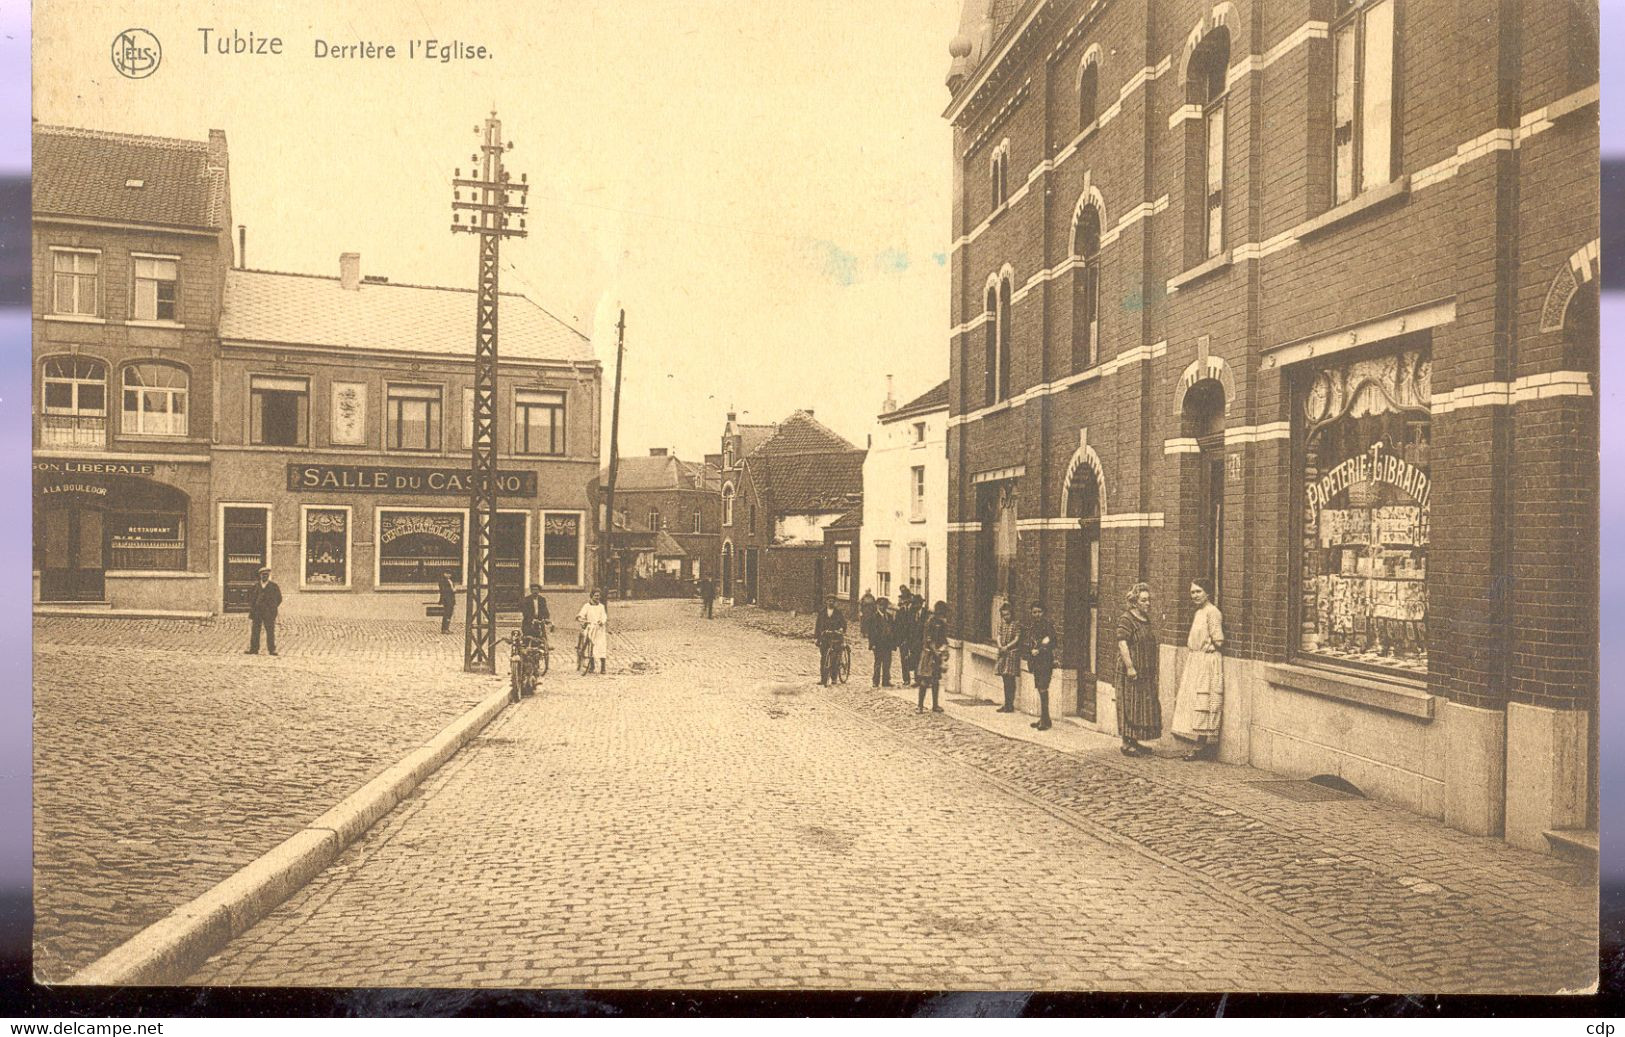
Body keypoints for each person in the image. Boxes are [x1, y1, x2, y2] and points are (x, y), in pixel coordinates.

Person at [1171, 578, 1225, 761]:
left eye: (1198, 591)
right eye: (1193, 592)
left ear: (1207, 593)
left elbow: (1219, 639)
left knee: (1204, 700)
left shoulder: (1213, 612)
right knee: (1193, 701)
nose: (1194, 595)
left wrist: (1212, 646)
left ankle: (1201, 744)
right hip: (1195, 659)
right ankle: (1198, 741)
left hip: (1207, 661)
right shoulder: (1199, 613)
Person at [1115, 582, 1162, 757]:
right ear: (1135, 601)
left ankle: (1135, 740)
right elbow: (1122, 643)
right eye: (1144, 600)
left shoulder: (1146, 619)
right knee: (1130, 704)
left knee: (1141, 705)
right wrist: (1130, 667)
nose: (1148, 603)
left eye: (1149, 600)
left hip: (1145, 671)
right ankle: (1126, 743)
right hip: (1131, 671)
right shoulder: (1126, 619)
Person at [1024, 603, 1057, 730]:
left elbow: (1052, 642)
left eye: (1039, 612)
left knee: (1043, 688)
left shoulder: (1048, 626)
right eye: (1034, 612)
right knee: (1039, 688)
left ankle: (1045, 720)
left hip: (1045, 661)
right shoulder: (1032, 627)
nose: (1037, 615)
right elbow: (1030, 643)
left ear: (1043, 612)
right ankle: (1045, 718)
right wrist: (1030, 652)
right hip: (1036, 662)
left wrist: (1041, 650)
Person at [916, 601, 950, 713]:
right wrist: (937, 652)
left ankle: (935, 705)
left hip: (937, 655)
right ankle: (920, 705)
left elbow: (944, 639)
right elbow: (929, 640)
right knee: (925, 680)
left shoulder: (943, 623)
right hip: (929, 655)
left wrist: (944, 650)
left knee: (936, 680)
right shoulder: (930, 622)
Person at [245, 566, 281, 656]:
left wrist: (272, 608)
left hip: (268, 612)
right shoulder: (256, 586)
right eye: (263, 575)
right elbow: (250, 598)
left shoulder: (274, 586)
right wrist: (253, 608)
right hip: (257, 612)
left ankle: (272, 650)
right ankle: (254, 649)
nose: (265, 576)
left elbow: (279, 598)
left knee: (270, 631)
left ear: (269, 575)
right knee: (255, 630)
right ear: (260, 576)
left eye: (266, 575)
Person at [993, 601, 1022, 713]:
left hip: (1012, 653)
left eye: (1008, 614)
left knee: (1010, 679)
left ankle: (1010, 704)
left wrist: (1007, 646)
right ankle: (1006, 703)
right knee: (1005, 679)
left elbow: (1017, 638)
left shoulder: (1016, 624)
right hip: (1003, 653)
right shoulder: (1002, 623)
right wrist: (1000, 645)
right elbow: (999, 635)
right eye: (1004, 615)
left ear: (1011, 614)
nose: (1006, 617)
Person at [815, 595, 847, 686]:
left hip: (836, 638)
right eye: (829, 601)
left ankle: (834, 678)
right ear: (826, 602)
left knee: (834, 658)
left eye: (832, 601)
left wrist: (841, 629)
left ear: (835, 602)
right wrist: (817, 638)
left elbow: (843, 624)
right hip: (825, 637)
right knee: (823, 658)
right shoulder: (822, 613)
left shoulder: (838, 613)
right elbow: (818, 626)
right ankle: (823, 679)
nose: (831, 602)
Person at [576, 589, 609, 674]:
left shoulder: (601, 606)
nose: (597, 597)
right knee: (591, 646)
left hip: (599, 629)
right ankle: (592, 666)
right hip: (590, 627)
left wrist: (602, 621)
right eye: (595, 595)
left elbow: (604, 616)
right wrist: (581, 618)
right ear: (592, 596)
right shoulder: (587, 606)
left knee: (601, 646)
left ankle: (603, 667)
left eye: (598, 596)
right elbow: (581, 614)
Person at [895, 587, 922, 686]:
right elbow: (896, 626)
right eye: (904, 601)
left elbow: (915, 626)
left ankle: (917, 678)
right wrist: (899, 640)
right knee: (904, 659)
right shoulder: (899, 612)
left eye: (908, 601)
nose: (906, 603)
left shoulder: (913, 612)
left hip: (912, 639)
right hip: (903, 640)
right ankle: (906, 679)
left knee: (915, 657)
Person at [869, 597, 896, 688]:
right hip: (878, 643)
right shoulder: (874, 617)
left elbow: (892, 629)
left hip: (887, 643)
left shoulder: (889, 616)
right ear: (877, 606)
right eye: (881, 605)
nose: (882, 607)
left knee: (887, 663)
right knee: (878, 662)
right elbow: (871, 632)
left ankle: (886, 681)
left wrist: (893, 643)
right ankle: (875, 681)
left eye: (884, 605)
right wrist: (872, 644)